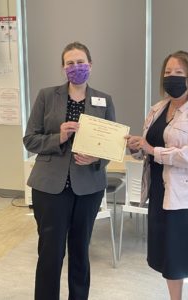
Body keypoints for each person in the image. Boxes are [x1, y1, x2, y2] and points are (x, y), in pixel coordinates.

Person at [23, 41, 115, 300]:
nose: (76, 67)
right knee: (50, 253)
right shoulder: (46, 95)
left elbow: (111, 146)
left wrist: (97, 159)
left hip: (88, 187)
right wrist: (58, 137)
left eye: (81, 62)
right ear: (63, 68)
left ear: (91, 65)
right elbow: (30, 139)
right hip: (50, 187)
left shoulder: (104, 100)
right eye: (70, 63)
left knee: (80, 252)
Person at [126, 50, 188, 300]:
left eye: (179, 72)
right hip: (160, 193)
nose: (172, 77)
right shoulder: (157, 108)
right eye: (168, 72)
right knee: (170, 259)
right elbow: (148, 148)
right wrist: (137, 147)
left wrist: (152, 149)